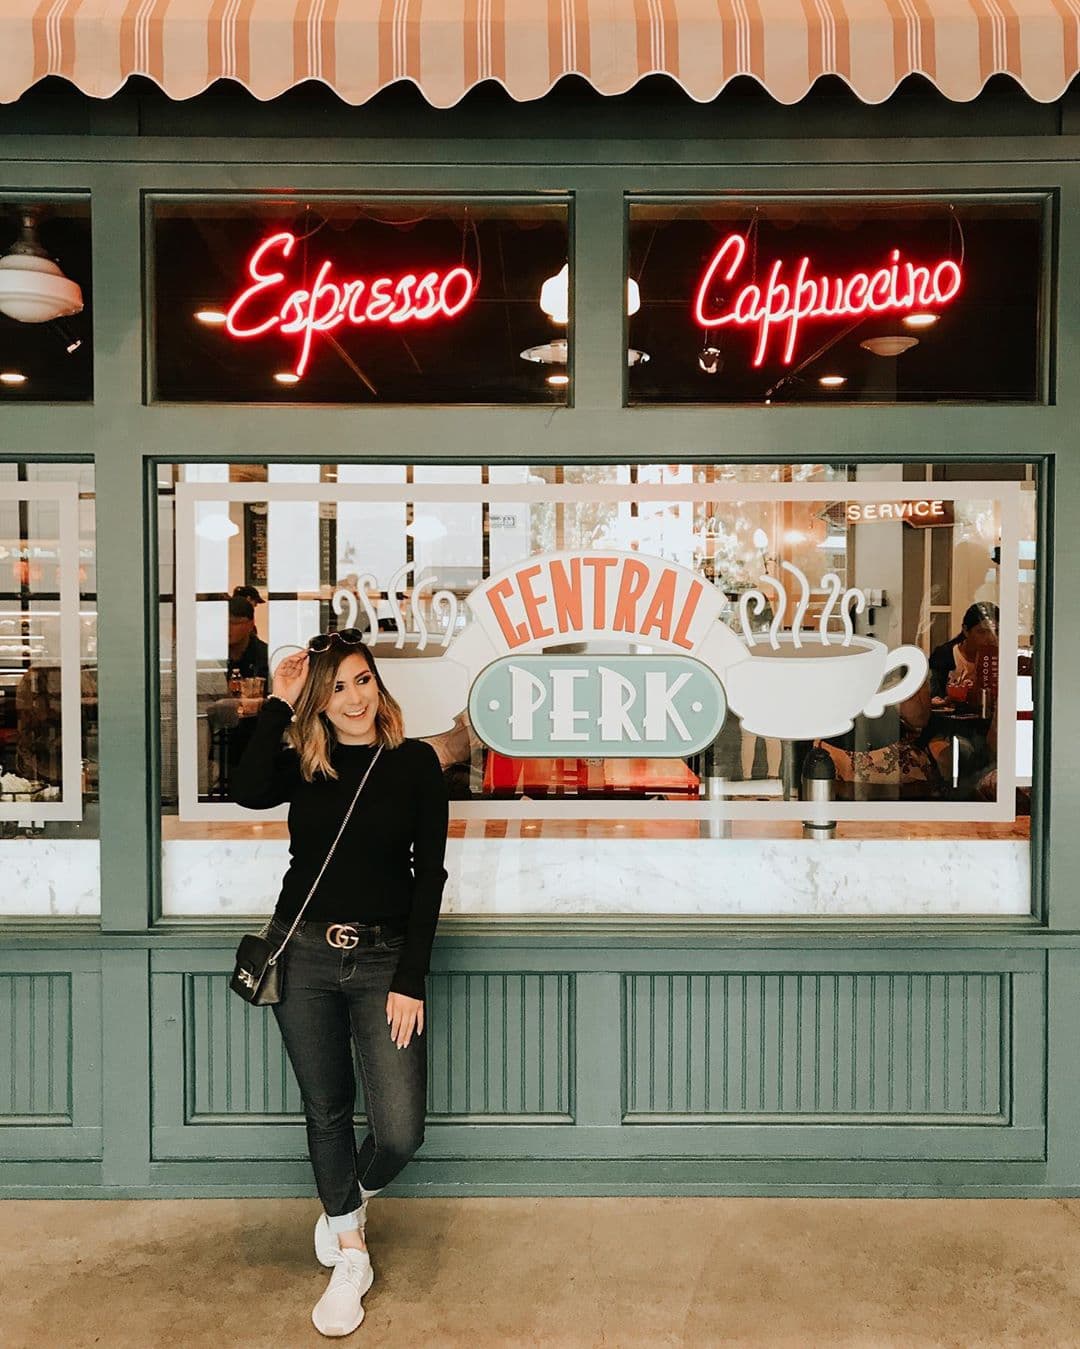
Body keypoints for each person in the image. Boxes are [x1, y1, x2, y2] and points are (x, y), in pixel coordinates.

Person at [230, 631, 449, 1338]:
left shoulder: (416, 764)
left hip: (384, 960)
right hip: (305, 955)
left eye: (361, 681)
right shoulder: (304, 761)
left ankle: (342, 1201)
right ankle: (351, 1252)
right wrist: (278, 700)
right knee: (326, 1109)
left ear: (378, 684)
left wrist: (410, 977)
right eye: (336, 688)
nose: (353, 699)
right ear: (319, 700)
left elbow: (430, 877)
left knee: (399, 1130)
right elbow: (246, 789)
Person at [928, 602, 999, 699]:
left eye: (996, 632)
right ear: (966, 630)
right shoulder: (943, 656)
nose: (990, 638)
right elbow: (933, 696)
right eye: (981, 632)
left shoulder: (999, 658)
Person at [227, 590, 270, 681]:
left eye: (234, 622)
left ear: (251, 624)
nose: (227, 628)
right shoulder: (212, 659)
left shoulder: (266, 657)